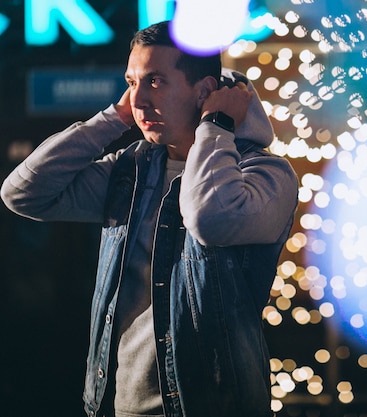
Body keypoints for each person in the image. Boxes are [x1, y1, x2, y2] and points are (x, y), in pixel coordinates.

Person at [1, 20, 298, 417]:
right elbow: (22, 193)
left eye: (155, 81)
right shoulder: (132, 170)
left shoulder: (264, 175)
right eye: (131, 81)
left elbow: (209, 218)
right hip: (116, 406)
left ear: (205, 91)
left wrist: (217, 125)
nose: (137, 99)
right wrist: (114, 117)